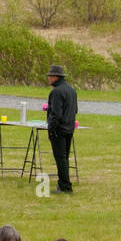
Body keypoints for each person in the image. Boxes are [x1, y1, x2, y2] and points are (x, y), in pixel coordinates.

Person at [45, 64, 78, 194]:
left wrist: (51, 128)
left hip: (59, 129)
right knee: (64, 157)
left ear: (55, 77)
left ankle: (65, 186)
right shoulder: (71, 90)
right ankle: (64, 184)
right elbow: (75, 110)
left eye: (50, 77)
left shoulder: (56, 92)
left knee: (60, 158)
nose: (49, 79)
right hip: (69, 128)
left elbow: (56, 114)